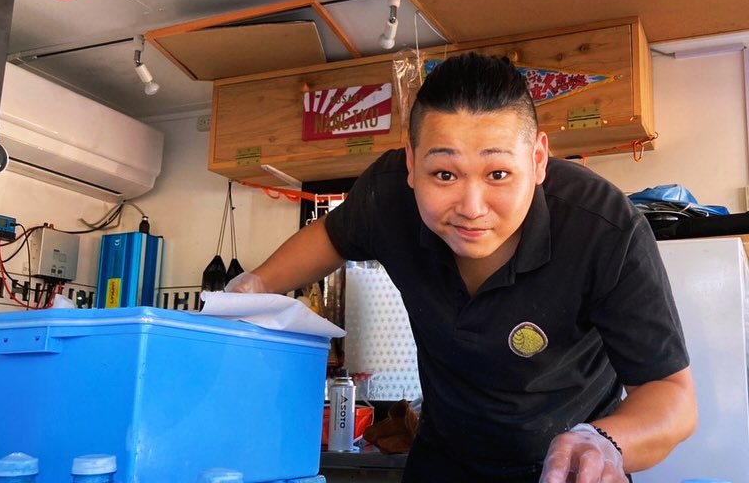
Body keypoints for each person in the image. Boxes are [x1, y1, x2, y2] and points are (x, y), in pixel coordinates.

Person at [227, 53, 697, 483]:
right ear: (411, 163)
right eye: (444, 175)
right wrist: (255, 286)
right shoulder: (388, 196)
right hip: (443, 460)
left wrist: (605, 444)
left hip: (568, 468)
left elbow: (671, 393)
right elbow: (333, 235)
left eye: (498, 174)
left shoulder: (604, 228)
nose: (471, 208)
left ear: (538, 160)